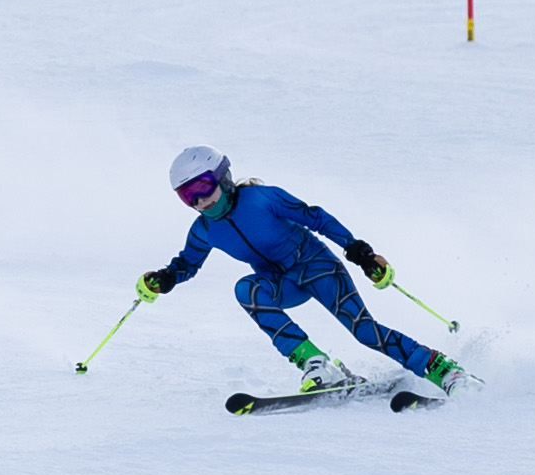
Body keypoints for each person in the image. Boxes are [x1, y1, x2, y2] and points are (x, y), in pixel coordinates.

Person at [139, 145, 464, 393]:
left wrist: (360, 252)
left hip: (318, 268)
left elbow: (315, 217)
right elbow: (187, 264)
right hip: (283, 283)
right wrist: (164, 278)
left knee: (365, 331)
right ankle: (315, 363)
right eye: (187, 195)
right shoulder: (204, 230)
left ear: (223, 178)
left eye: (203, 187)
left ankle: (443, 370)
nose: (200, 201)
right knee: (246, 289)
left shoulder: (261, 199)